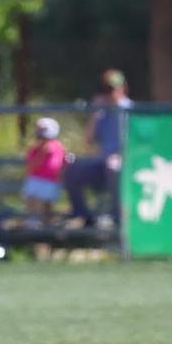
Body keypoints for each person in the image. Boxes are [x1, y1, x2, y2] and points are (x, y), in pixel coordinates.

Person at [65, 68, 130, 226]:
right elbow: (88, 140)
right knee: (71, 169)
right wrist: (95, 113)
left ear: (122, 89)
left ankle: (118, 219)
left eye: (112, 90)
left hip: (126, 162)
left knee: (113, 166)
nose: (108, 94)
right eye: (106, 90)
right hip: (101, 162)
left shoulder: (130, 110)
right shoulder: (101, 113)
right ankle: (84, 216)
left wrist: (121, 156)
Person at [23, 117, 67, 223]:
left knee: (47, 204)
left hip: (51, 180)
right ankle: (32, 223)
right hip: (36, 179)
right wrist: (42, 153)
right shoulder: (35, 148)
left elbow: (62, 164)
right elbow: (30, 167)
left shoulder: (58, 146)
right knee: (32, 200)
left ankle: (47, 223)